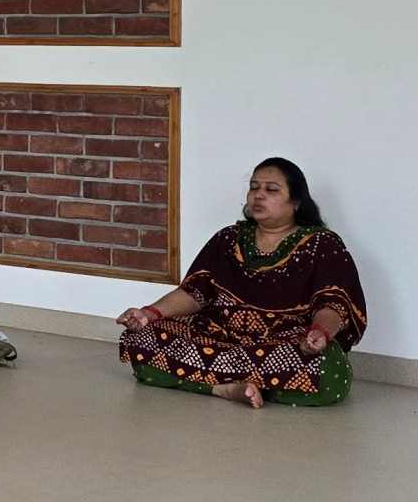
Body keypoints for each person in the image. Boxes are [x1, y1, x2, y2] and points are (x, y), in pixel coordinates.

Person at [118, 156, 369, 408]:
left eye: (271, 189)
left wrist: (320, 333)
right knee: (142, 338)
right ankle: (226, 388)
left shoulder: (322, 244)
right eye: (253, 187)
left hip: (281, 343)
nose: (258, 195)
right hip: (219, 337)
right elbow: (194, 293)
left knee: (327, 370)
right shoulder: (228, 238)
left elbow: (334, 304)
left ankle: (223, 381)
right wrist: (149, 314)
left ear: (296, 202)